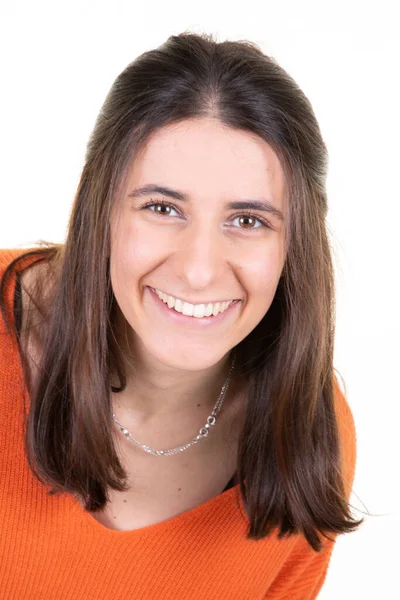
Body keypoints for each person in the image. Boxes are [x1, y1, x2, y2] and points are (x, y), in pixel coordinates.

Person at [0, 31, 362, 599]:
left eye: (248, 220)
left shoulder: (308, 437)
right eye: (162, 208)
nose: (198, 270)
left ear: (296, 246)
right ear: (99, 208)